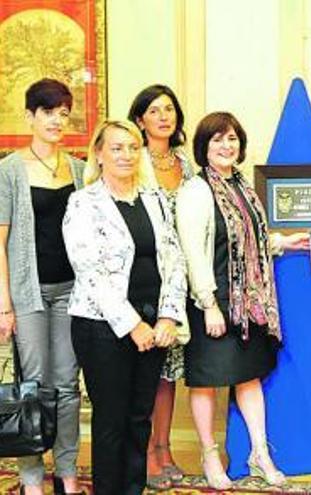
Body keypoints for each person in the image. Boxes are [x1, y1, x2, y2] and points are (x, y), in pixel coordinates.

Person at [176, 111, 309, 489]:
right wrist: (208, 304)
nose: (226, 146)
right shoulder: (196, 190)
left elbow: (251, 240)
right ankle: (209, 454)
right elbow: (193, 253)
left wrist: (284, 242)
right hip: (213, 303)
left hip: (248, 304)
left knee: (248, 378)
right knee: (205, 382)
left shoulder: (243, 186)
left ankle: (259, 453)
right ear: (204, 146)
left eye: (232, 138)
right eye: (217, 139)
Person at [62, 120, 188, 495]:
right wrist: (133, 325)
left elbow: (174, 259)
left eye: (133, 147)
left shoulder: (154, 199)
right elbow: (90, 272)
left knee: (139, 419)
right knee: (112, 421)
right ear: (99, 154)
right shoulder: (84, 203)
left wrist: (167, 315)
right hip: (102, 327)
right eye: (116, 148)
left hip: (154, 326)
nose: (126, 155)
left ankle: (133, 489)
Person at [0, 79, 85, 495]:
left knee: (67, 384)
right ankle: (31, 476)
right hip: (28, 293)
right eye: (48, 111)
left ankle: (66, 471)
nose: (56, 120)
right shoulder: (9, 170)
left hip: (73, 291)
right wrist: (4, 306)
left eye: (63, 113)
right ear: (30, 116)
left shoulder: (80, 170)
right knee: (33, 385)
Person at [128, 83, 196, 490]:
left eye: (169, 108)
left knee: (170, 373)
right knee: (147, 372)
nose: (163, 116)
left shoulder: (186, 164)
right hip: (144, 278)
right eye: (154, 111)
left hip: (179, 279)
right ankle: (146, 457)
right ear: (140, 120)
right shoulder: (134, 162)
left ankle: (164, 447)